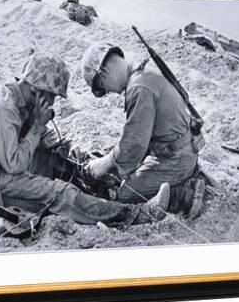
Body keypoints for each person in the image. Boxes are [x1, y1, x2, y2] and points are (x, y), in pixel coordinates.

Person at [0, 53, 171, 226]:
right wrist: (37, 126)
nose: (53, 103)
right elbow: (15, 165)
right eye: (53, 96)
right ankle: (135, 215)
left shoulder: (21, 99)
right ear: (38, 91)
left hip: (2, 162)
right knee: (60, 191)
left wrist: (69, 148)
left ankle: (110, 192)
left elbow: (43, 138)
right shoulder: (2, 108)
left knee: (67, 161)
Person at [80, 42, 206, 219]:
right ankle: (186, 176)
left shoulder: (139, 88)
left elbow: (134, 145)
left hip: (176, 158)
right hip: (182, 148)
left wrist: (104, 164)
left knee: (125, 194)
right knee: (120, 172)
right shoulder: (144, 72)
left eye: (103, 86)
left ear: (104, 73)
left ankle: (185, 193)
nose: (109, 92)